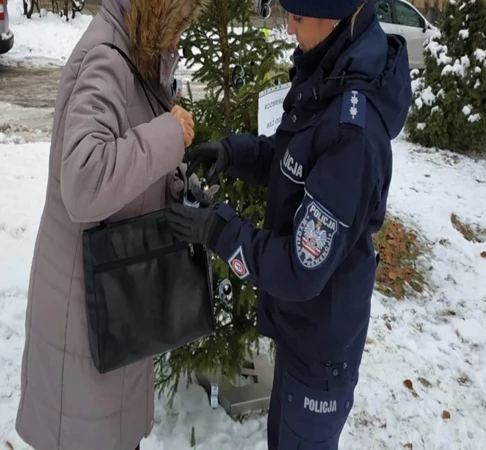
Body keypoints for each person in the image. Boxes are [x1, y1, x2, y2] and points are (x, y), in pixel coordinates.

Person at [166, 1, 412, 449]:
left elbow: (302, 268)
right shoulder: (327, 71)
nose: (288, 26)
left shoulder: (352, 132)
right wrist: (233, 153)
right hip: (300, 330)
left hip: (322, 346)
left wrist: (218, 230)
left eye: (297, 16)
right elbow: (293, 162)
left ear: (334, 16)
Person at [14, 0, 206, 449]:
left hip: (114, 299)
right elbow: (85, 180)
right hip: (84, 312)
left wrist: (185, 187)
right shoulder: (106, 56)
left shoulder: (132, 51)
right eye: (176, 25)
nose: (178, 39)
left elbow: (129, 163)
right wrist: (168, 135)